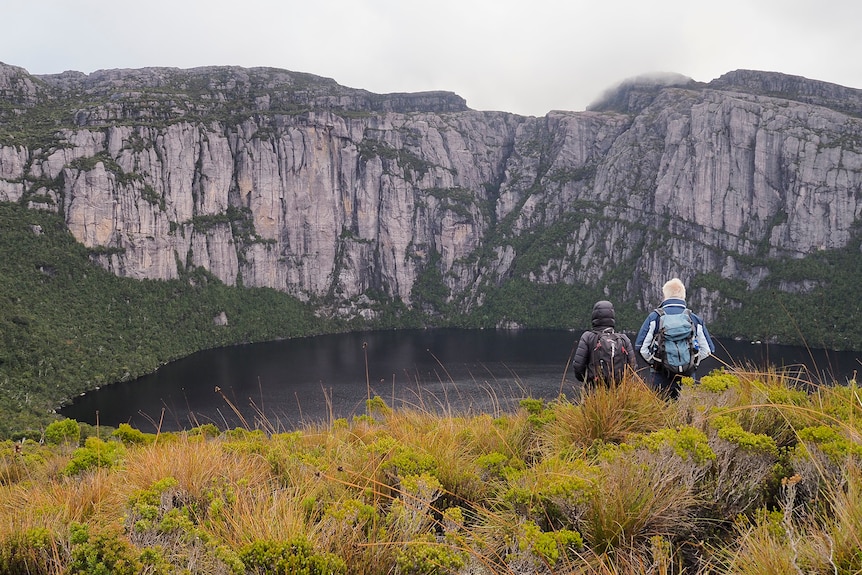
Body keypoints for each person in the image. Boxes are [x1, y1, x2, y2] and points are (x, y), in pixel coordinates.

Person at [635, 278, 715, 399]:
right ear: (683, 295)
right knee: (685, 413)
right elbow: (707, 350)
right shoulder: (694, 318)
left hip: (660, 377)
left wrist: (656, 364)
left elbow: (641, 348)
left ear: (665, 295)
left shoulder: (655, 317)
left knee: (660, 412)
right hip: (687, 377)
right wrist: (692, 363)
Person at [572, 300, 637, 389]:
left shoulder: (587, 337)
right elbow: (633, 366)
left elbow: (578, 366)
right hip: (619, 391)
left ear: (594, 316)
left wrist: (587, 380)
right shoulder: (623, 339)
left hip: (594, 390)